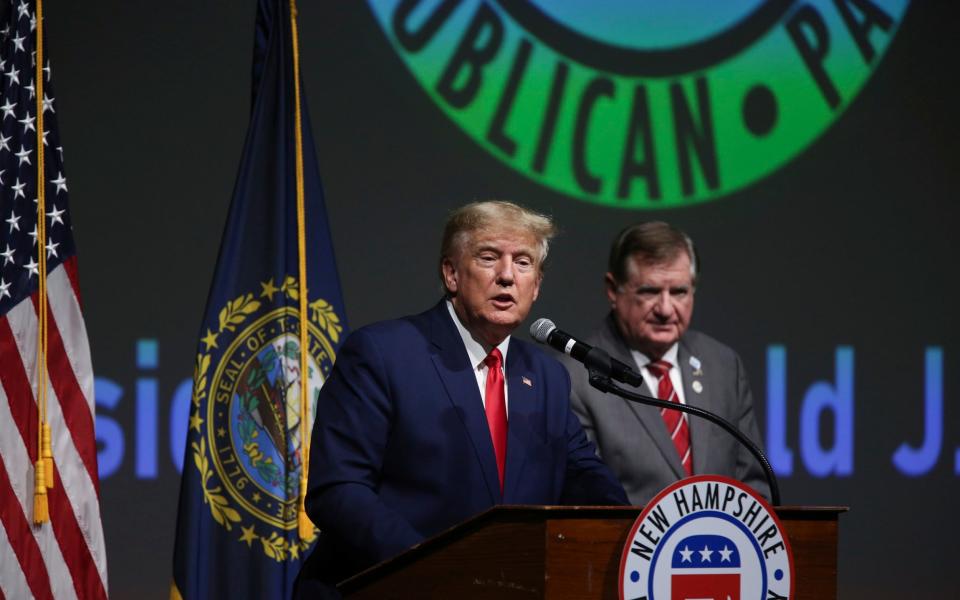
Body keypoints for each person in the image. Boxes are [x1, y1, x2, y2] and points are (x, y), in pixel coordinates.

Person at [295, 201, 628, 595]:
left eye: (523, 263)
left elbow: (586, 479)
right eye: (489, 258)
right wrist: (439, 569)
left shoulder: (545, 377)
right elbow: (338, 491)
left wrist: (634, 532)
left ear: (536, 286)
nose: (507, 276)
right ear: (451, 273)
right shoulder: (382, 354)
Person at [560, 222, 770, 507]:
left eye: (679, 292)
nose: (666, 309)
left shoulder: (723, 366)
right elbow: (586, 502)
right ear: (613, 290)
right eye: (649, 291)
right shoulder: (575, 378)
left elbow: (754, 487)